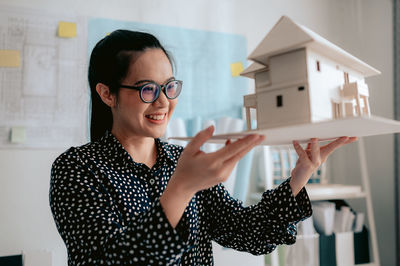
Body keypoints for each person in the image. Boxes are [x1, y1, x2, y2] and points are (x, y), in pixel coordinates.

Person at [49, 29, 356, 265]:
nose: (163, 102)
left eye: (169, 86)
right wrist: (181, 188)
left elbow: (244, 230)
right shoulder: (77, 169)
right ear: (107, 94)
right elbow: (111, 260)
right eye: (147, 89)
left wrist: (300, 176)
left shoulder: (180, 161)